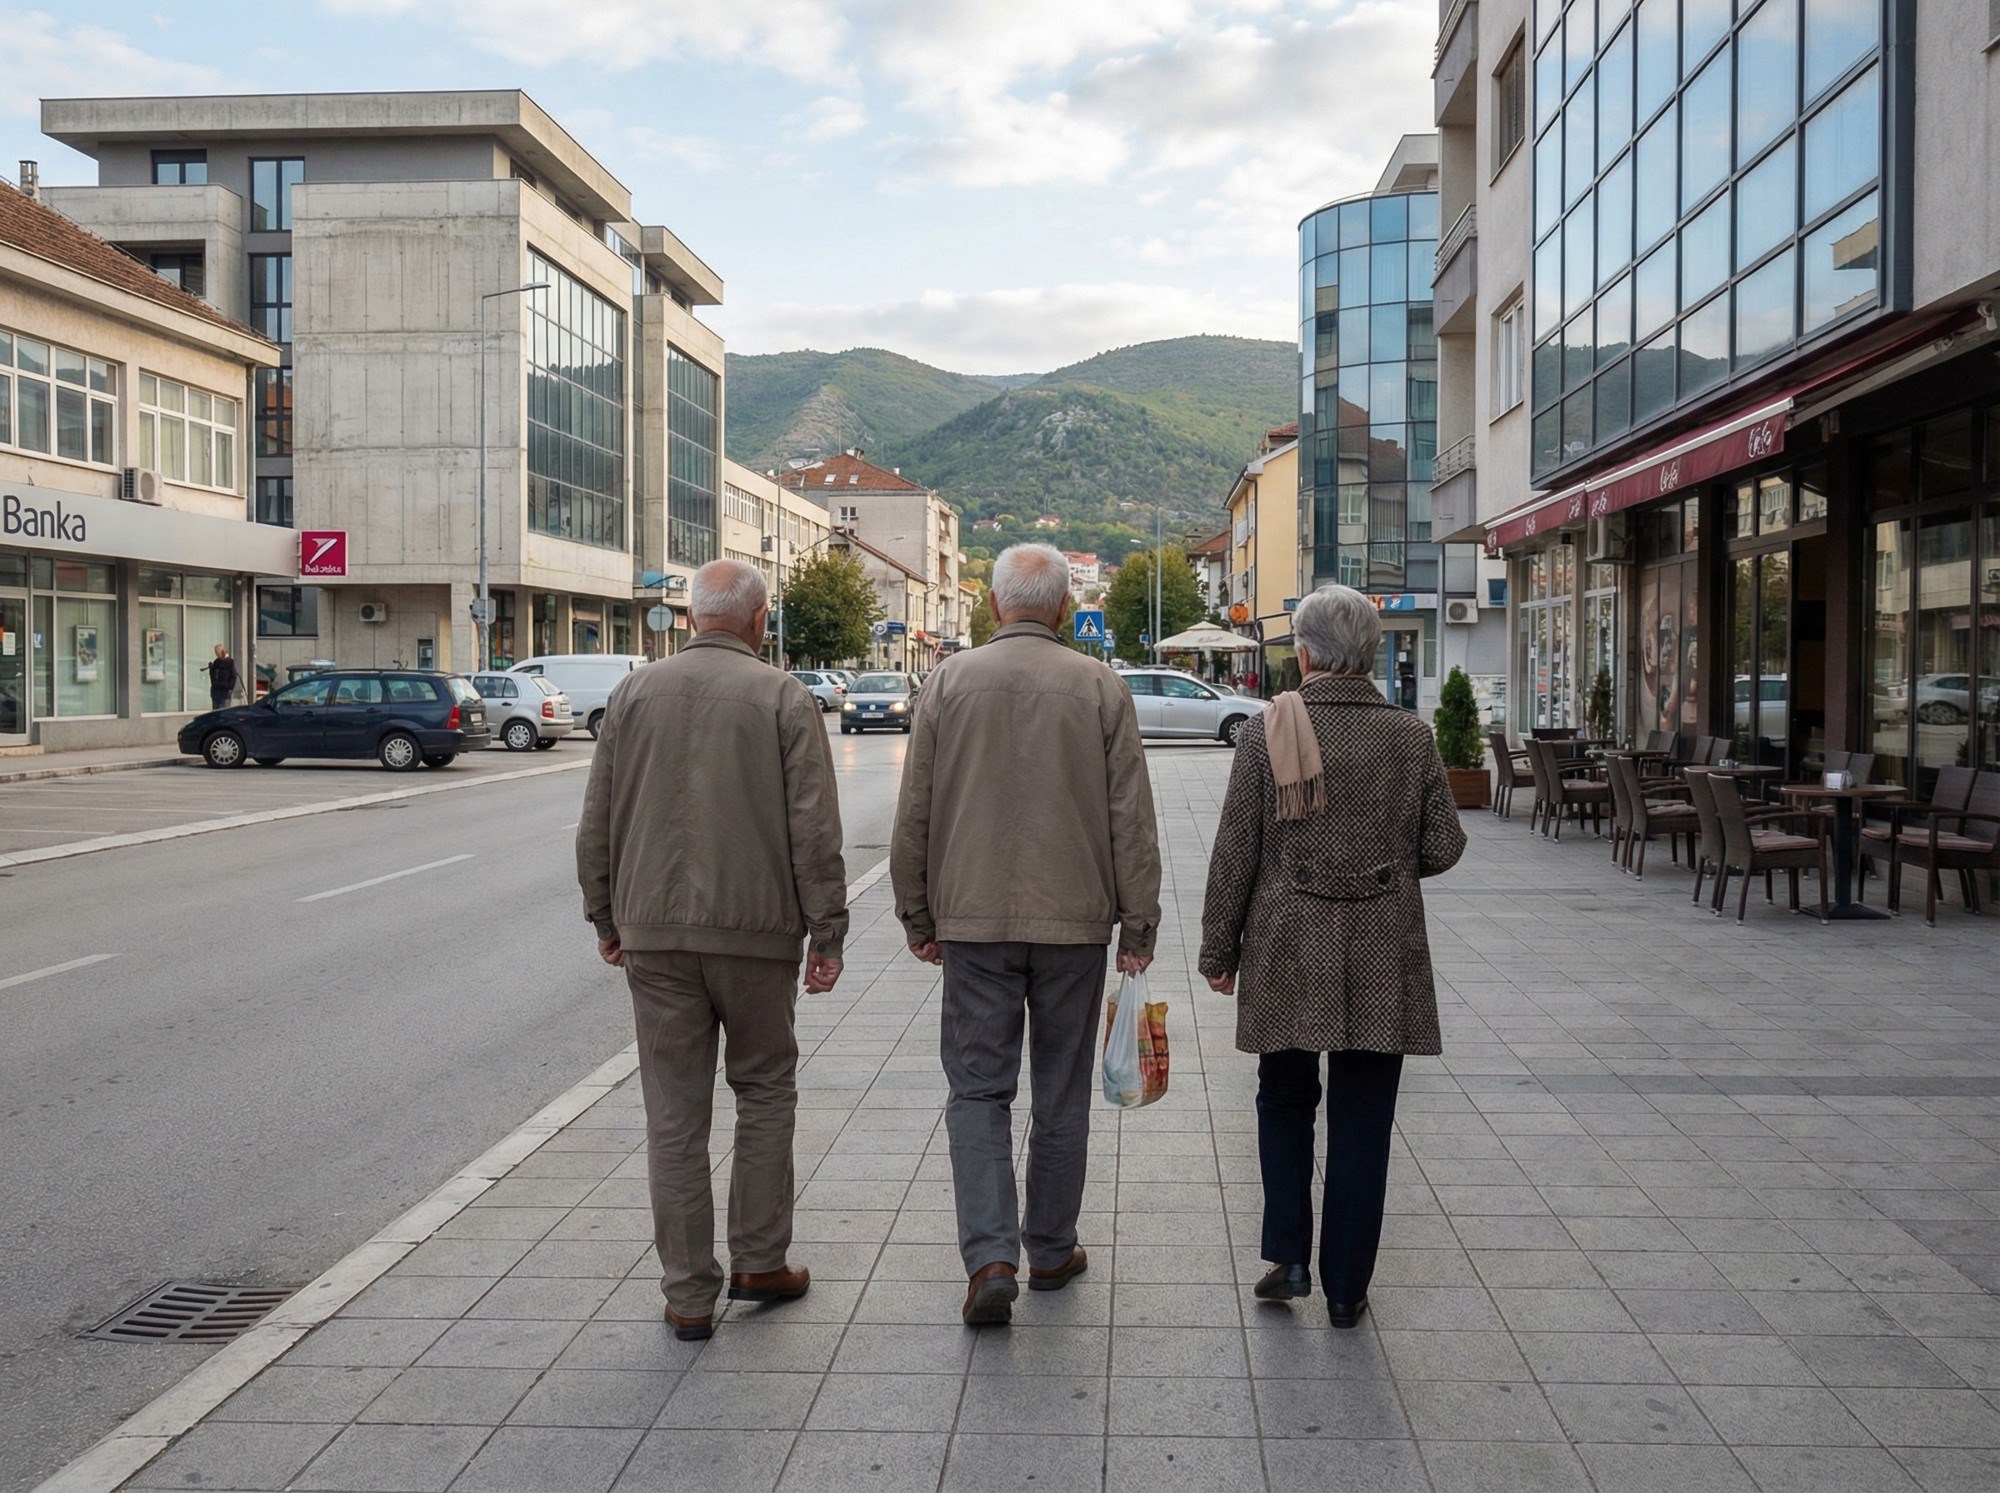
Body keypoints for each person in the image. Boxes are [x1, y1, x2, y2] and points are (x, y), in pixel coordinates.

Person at [575, 559, 848, 1342]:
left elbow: (598, 820)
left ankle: (689, 1294)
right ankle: (761, 1259)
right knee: (764, 1089)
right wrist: (826, 930)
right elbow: (814, 829)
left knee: (674, 1113)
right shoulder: (783, 697)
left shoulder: (632, 694)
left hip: (654, 932)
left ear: (692, 617)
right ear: (759, 619)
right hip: (758, 933)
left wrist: (606, 914)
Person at [892, 542, 1162, 1327]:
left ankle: (989, 1258)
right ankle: (1049, 1246)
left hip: (972, 922)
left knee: (978, 1088)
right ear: (1059, 606)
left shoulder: (947, 682)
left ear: (1000, 605)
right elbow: (1131, 820)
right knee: (1061, 1088)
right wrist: (1137, 923)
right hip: (1075, 922)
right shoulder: (1100, 686)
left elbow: (916, 812)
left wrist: (918, 913)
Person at [1198, 583, 1466, 1329]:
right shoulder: (1411, 737)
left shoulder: (1267, 730)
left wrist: (1219, 949)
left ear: (1306, 652)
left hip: (1288, 945)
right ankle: (1347, 1287)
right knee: (1364, 1115)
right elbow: (1444, 845)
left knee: (1283, 1095)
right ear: (1371, 652)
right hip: (1383, 946)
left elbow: (1235, 854)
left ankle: (1287, 1254)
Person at [203, 643, 238, 710]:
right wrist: (211, 668)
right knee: (216, 712)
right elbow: (213, 677)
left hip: (224, 692)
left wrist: (229, 687)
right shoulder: (216, 662)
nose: (216, 654)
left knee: (223, 711)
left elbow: (233, 676)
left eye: (217, 652)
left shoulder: (229, 662)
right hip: (216, 691)